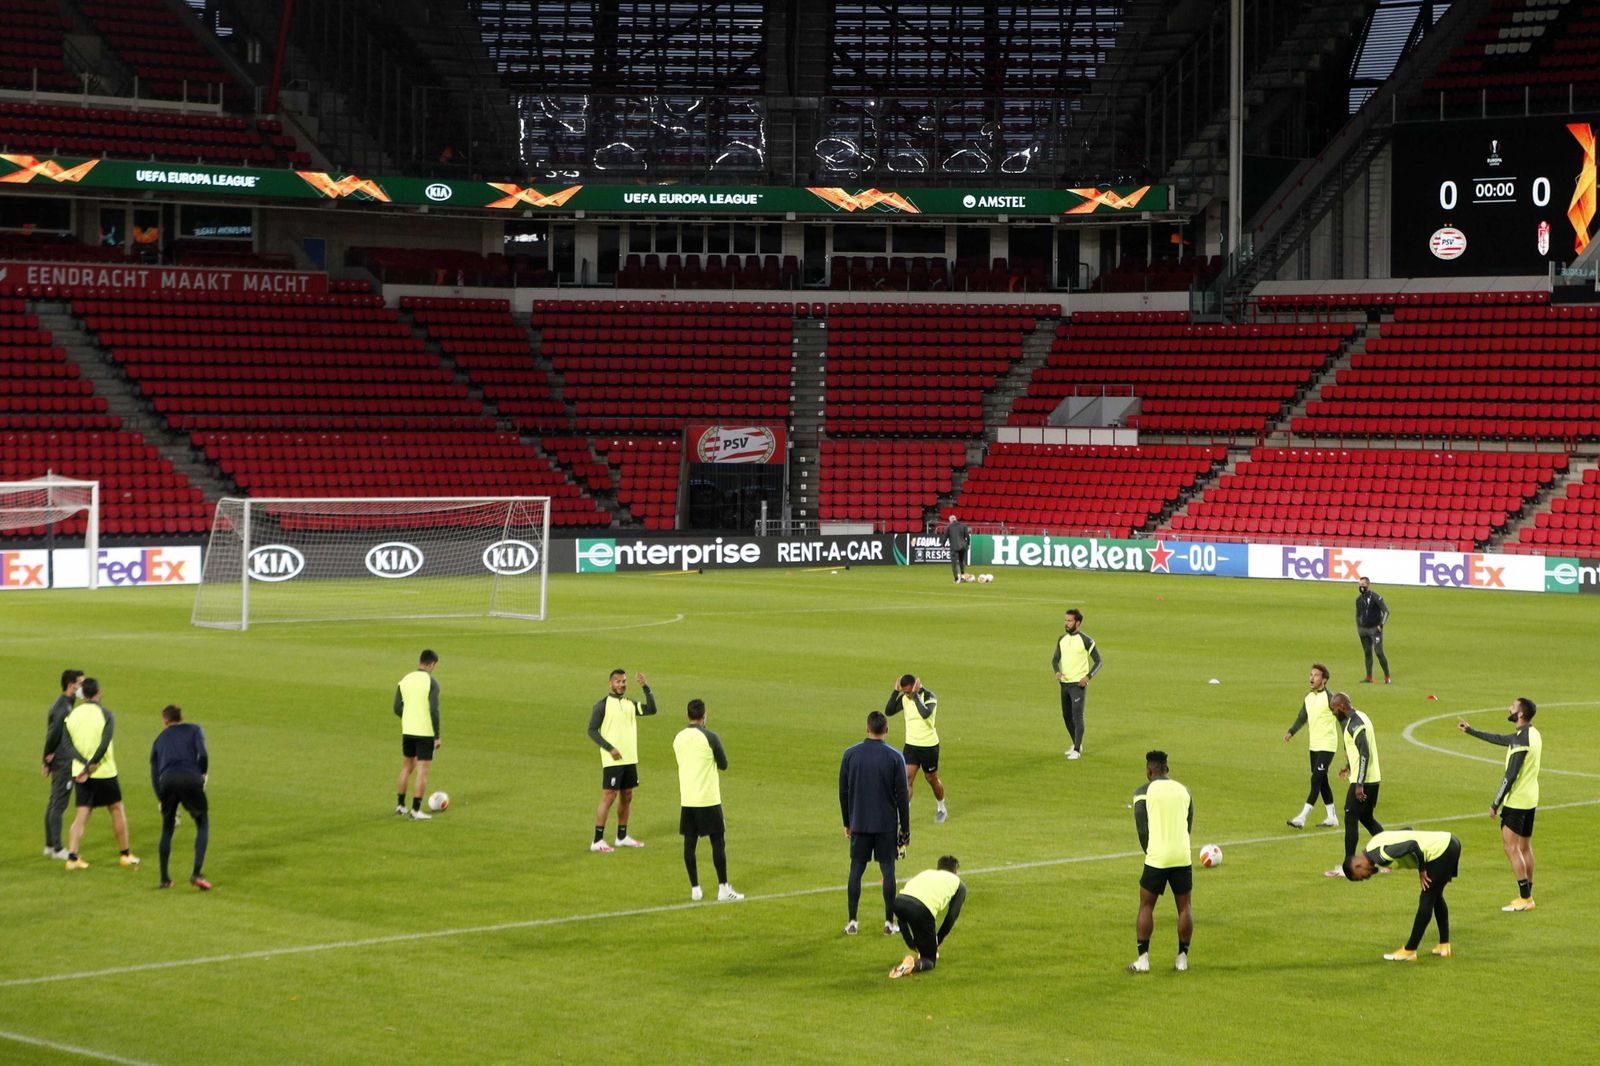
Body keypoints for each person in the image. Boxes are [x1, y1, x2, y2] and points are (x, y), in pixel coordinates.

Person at [1458, 697, 1541, 912]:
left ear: (1521, 714)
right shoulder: (1532, 734)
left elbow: (1510, 775)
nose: (1509, 708)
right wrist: (1471, 730)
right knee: (1525, 847)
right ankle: (1528, 894)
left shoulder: (1521, 740)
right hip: (1531, 799)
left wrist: (1496, 803)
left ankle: (1525, 899)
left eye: (1513, 706)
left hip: (1517, 802)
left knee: (1510, 847)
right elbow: (1502, 739)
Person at [839, 710, 911, 936]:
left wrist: (847, 822)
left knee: (856, 870)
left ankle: (852, 921)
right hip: (886, 825)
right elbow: (902, 795)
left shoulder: (850, 754)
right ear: (886, 730)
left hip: (859, 822)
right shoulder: (895, 757)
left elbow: (843, 791)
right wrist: (905, 829)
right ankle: (889, 923)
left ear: (866, 728)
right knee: (888, 871)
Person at [1344, 830, 1463, 961]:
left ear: (1358, 866)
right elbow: (1407, 830)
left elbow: (1412, 845)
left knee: (1427, 899)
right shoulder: (1372, 844)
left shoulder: (1380, 855)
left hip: (1440, 850)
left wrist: (1422, 870)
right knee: (1435, 895)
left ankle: (1410, 950)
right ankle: (1444, 946)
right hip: (1449, 842)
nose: (1365, 878)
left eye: (1360, 878)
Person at [1129, 750, 1194, 973]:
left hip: (1157, 857)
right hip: (1182, 855)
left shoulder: (1142, 792)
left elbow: (1141, 828)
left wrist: (1150, 850)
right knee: (1184, 907)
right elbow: (1188, 823)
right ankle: (1182, 958)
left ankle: (1143, 960)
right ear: (1167, 769)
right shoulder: (1184, 790)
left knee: (1146, 906)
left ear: (1149, 771)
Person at [63, 678, 138, 870]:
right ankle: (125, 854)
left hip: (80, 773)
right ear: (98, 692)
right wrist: (92, 764)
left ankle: (72, 858)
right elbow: (105, 743)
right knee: (116, 809)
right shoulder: (106, 714)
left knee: (81, 814)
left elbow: (66, 745)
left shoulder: (72, 715)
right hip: (104, 772)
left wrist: (83, 765)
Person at [673, 698, 742, 902]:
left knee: (689, 844)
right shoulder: (711, 737)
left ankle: (695, 889)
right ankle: (723, 888)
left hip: (688, 798)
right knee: (717, 841)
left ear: (687, 715)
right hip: (709, 799)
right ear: (704, 716)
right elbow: (724, 764)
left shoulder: (678, 738)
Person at [587, 668, 657, 852]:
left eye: (624, 681)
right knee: (609, 797)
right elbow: (592, 730)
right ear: (610, 684)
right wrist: (610, 748)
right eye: (618, 682)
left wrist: (645, 687)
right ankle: (597, 840)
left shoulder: (630, 704)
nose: (622, 684)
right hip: (613, 761)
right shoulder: (601, 705)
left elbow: (652, 710)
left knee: (627, 796)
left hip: (630, 759)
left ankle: (622, 836)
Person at [149, 704, 211, 890]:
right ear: (180, 717)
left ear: (165, 720)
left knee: (167, 828)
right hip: (190, 778)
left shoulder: (159, 740)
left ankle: (165, 879)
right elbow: (204, 754)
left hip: (167, 781)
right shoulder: (194, 729)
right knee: (202, 823)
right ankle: (196, 873)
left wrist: (161, 797)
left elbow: (153, 773)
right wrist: (202, 774)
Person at [1326, 691, 1385, 877]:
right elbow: (1358, 753)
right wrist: (1348, 766)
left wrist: (1359, 784)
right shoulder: (1362, 716)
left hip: (1364, 781)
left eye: (1334, 710)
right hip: (1373, 778)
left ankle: (1348, 865)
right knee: (1367, 818)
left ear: (1342, 707)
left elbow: (1365, 753)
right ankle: (1389, 857)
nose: (1334, 714)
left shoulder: (1354, 724)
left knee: (1350, 817)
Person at [888, 855, 967, 978]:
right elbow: (951, 917)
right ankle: (911, 966)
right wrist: (937, 941)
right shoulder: (959, 884)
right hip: (921, 910)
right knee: (929, 961)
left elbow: (902, 918)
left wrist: (910, 943)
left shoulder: (927, 872)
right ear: (956, 871)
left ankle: (913, 958)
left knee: (919, 933)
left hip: (899, 902)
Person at [1282, 663, 1339, 829]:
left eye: (1316, 675)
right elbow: (1302, 717)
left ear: (1324, 680)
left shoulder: (1331, 698)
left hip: (1327, 745)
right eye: (1311, 674)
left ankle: (1302, 817)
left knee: (1315, 779)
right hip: (1314, 745)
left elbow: (1343, 720)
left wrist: (1348, 746)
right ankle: (1332, 817)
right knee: (1322, 781)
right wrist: (1291, 732)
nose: (1311, 678)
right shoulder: (1308, 698)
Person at [885, 674, 947, 823]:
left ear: (915, 686)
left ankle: (941, 808)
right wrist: (895, 691)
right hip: (911, 745)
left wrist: (916, 695)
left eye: (908, 691)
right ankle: (904, 813)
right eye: (904, 692)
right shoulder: (906, 698)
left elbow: (925, 714)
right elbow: (889, 710)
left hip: (929, 746)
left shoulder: (929, 696)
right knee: (906, 779)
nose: (906, 695)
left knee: (931, 778)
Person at [42, 668, 85, 860]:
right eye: (80, 683)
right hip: (62, 761)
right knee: (58, 804)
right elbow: (53, 734)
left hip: (58, 758)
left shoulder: (65, 704)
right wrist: (47, 758)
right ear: (71, 685)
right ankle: (58, 849)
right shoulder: (63, 708)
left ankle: (50, 845)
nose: (82, 688)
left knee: (54, 802)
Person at [393, 649, 441, 821]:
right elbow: (434, 710)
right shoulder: (431, 682)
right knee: (422, 771)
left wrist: (409, 718)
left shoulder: (405, 679)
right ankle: (416, 810)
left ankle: (400, 806)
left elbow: (397, 707)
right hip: (425, 732)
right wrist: (437, 736)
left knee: (407, 767)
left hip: (408, 730)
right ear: (430, 664)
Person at [1052, 608, 1102, 759]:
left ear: (1078, 623)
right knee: (1066, 716)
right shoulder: (1062, 639)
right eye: (1065, 620)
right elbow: (1055, 659)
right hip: (1064, 684)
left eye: (1069, 620)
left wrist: (1088, 677)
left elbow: (1099, 661)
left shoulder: (1086, 640)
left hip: (1078, 685)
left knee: (1077, 716)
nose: (1066, 623)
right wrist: (1057, 671)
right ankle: (1075, 743)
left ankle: (1077, 751)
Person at [1354, 577, 1391, 684]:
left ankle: (1387, 676)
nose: (1361, 587)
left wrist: (1381, 625)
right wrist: (1359, 627)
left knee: (1379, 652)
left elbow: (1386, 611)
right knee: (1367, 653)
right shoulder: (1358, 600)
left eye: (1363, 584)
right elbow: (1357, 615)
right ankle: (1369, 677)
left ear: (1368, 585)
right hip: (1363, 630)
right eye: (1360, 584)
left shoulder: (1376, 597)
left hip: (1375, 629)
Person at [943, 513, 971, 583]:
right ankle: (962, 576)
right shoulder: (963, 525)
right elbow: (967, 536)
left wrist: (943, 545)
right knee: (962, 561)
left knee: (954, 564)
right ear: (956, 519)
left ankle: (956, 579)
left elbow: (945, 537)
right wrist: (968, 544)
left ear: (950, 520)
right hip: (963, 546)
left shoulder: (948, 527)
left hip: (954, 547)